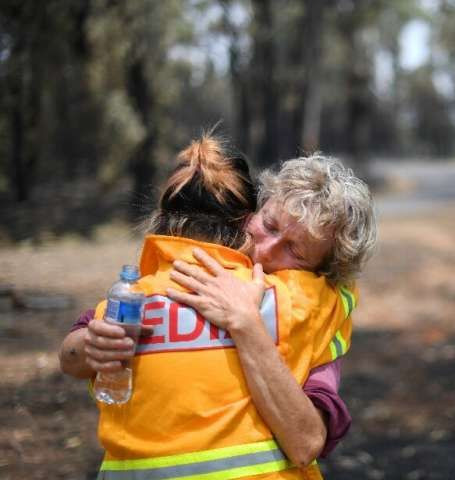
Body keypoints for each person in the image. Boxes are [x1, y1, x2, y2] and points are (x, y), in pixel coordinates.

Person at [59, 135, 377, 479]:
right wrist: (89, 344)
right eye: (268, 225)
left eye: (295, 253)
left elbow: (306, 443)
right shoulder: (173, 278)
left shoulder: (311, 304)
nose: (267, 250)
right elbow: (75, 352)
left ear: (320, 272)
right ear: (250, 212)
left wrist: (247, 325)